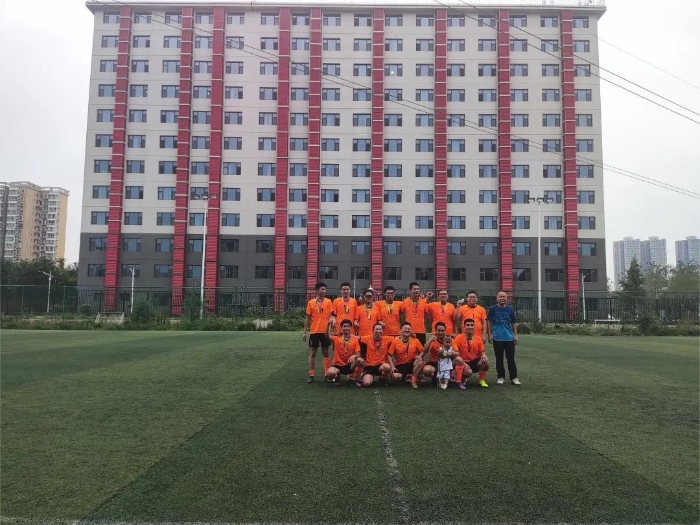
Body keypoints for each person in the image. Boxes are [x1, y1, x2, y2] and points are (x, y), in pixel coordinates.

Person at [487, 291, 520, 385]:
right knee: (499, 359)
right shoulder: (493, 309)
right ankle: (501, 377)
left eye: (504, 297)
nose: (502, 298)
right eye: (500, 297)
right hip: (497, 338)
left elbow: (514, 323)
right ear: (497, 298)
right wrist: (490, 334)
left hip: (509, 338)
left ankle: (514, 377)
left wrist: (515, 335)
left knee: (511, 359)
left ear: (507, 299)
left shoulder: (510, 309)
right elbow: (489, 321)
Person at [302, 281, 333, 383]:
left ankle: (327, 374)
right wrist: (304, 332)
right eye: (322, 289)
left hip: (325, 332)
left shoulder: (329, 302)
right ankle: (311, 375)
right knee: (313, 352)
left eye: (325, 289)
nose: (324, 291)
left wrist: (330, 331)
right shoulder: (311, 303)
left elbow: (331, 316)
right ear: (317, 290)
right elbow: (307, 318)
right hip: (314, 331)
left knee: (325, 352)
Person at [422, 322, 467, 389]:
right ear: (435, 331)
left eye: (442, 330)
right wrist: (430, 340)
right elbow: (424, 351)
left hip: (447, 363)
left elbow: (457, 353)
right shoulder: (433, 340)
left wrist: (448, 354)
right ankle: (435, 376)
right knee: (426, 370)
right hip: (435, 363)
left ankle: (458, 382)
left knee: (459, 359)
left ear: (445, 331)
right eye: (439, 330)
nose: (441, 332)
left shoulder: (449, 339)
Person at [325, 319, 364, 386]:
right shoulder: (337, 338)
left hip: (349, 365)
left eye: (348, 326)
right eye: (344, 326)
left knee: (361, 360)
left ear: (351, 328)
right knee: (330, 373)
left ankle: (354, 379)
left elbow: (359, 354)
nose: (346, 328)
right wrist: (328, 325)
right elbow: (327, 336)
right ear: (341, 327)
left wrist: (354, 356)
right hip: (337, 365)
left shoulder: (354, 339)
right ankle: (337, 376)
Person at [452, 318, 489, 388]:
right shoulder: (459, 338)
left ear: (474, 326)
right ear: (464, 326)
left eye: (472, 325)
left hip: (474, 361)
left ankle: (481, 380)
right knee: (468, 372)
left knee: (485, 362)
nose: (470, 327)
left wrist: (484, 355)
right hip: (463, 362)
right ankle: (460, 379)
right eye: (468, 325)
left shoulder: (478, 338)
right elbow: (454, 352)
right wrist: (463, 363)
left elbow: (482, 351)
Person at [387, 322, 425, 389]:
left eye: (409, 329)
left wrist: (419, 356)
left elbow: (422, 351)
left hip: (411, 364)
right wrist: (392, 367)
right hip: (400, 365)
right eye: (405, 328)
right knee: (395, 377)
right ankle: (406, 377)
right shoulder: (395, 341)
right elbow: (389, 355)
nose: (407, 330)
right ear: (401, 330)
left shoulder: (415, 340)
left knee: (421, 362)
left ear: (411, 331)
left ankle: (413, 380)